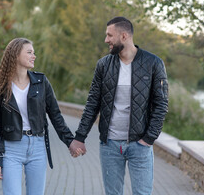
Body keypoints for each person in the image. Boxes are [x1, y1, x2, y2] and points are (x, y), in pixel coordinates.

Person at [69, 16, 168, 195]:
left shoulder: (153, 63)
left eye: (109, 35)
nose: (106, 40)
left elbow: (161, 104)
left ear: (124, 36)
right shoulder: (103, 65)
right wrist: (80, 137)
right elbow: (92, 104)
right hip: (110, 145)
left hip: (140, 145)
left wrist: (148, 139)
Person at [0, 38, 75, 195]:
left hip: (37, 147)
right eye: (29, 52)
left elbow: (55, 115)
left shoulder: (41, 82)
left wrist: (70, 142)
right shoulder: (0, 86)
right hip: (10, 149)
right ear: (15, 55)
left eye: (34, 52)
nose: (34, 56)